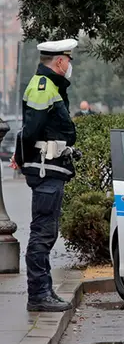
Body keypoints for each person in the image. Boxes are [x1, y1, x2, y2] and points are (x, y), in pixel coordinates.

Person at [13, 38, 82, 312]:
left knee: (46, 231)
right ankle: (38, 295)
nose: (70, 66)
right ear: (60, 62)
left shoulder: (50, 86)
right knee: (42, 233)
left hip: (50, 168)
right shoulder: (44, 87)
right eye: (69, 61)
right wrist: (23, 157)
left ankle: (44, 291)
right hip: (45, 169)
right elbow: (30, 130)